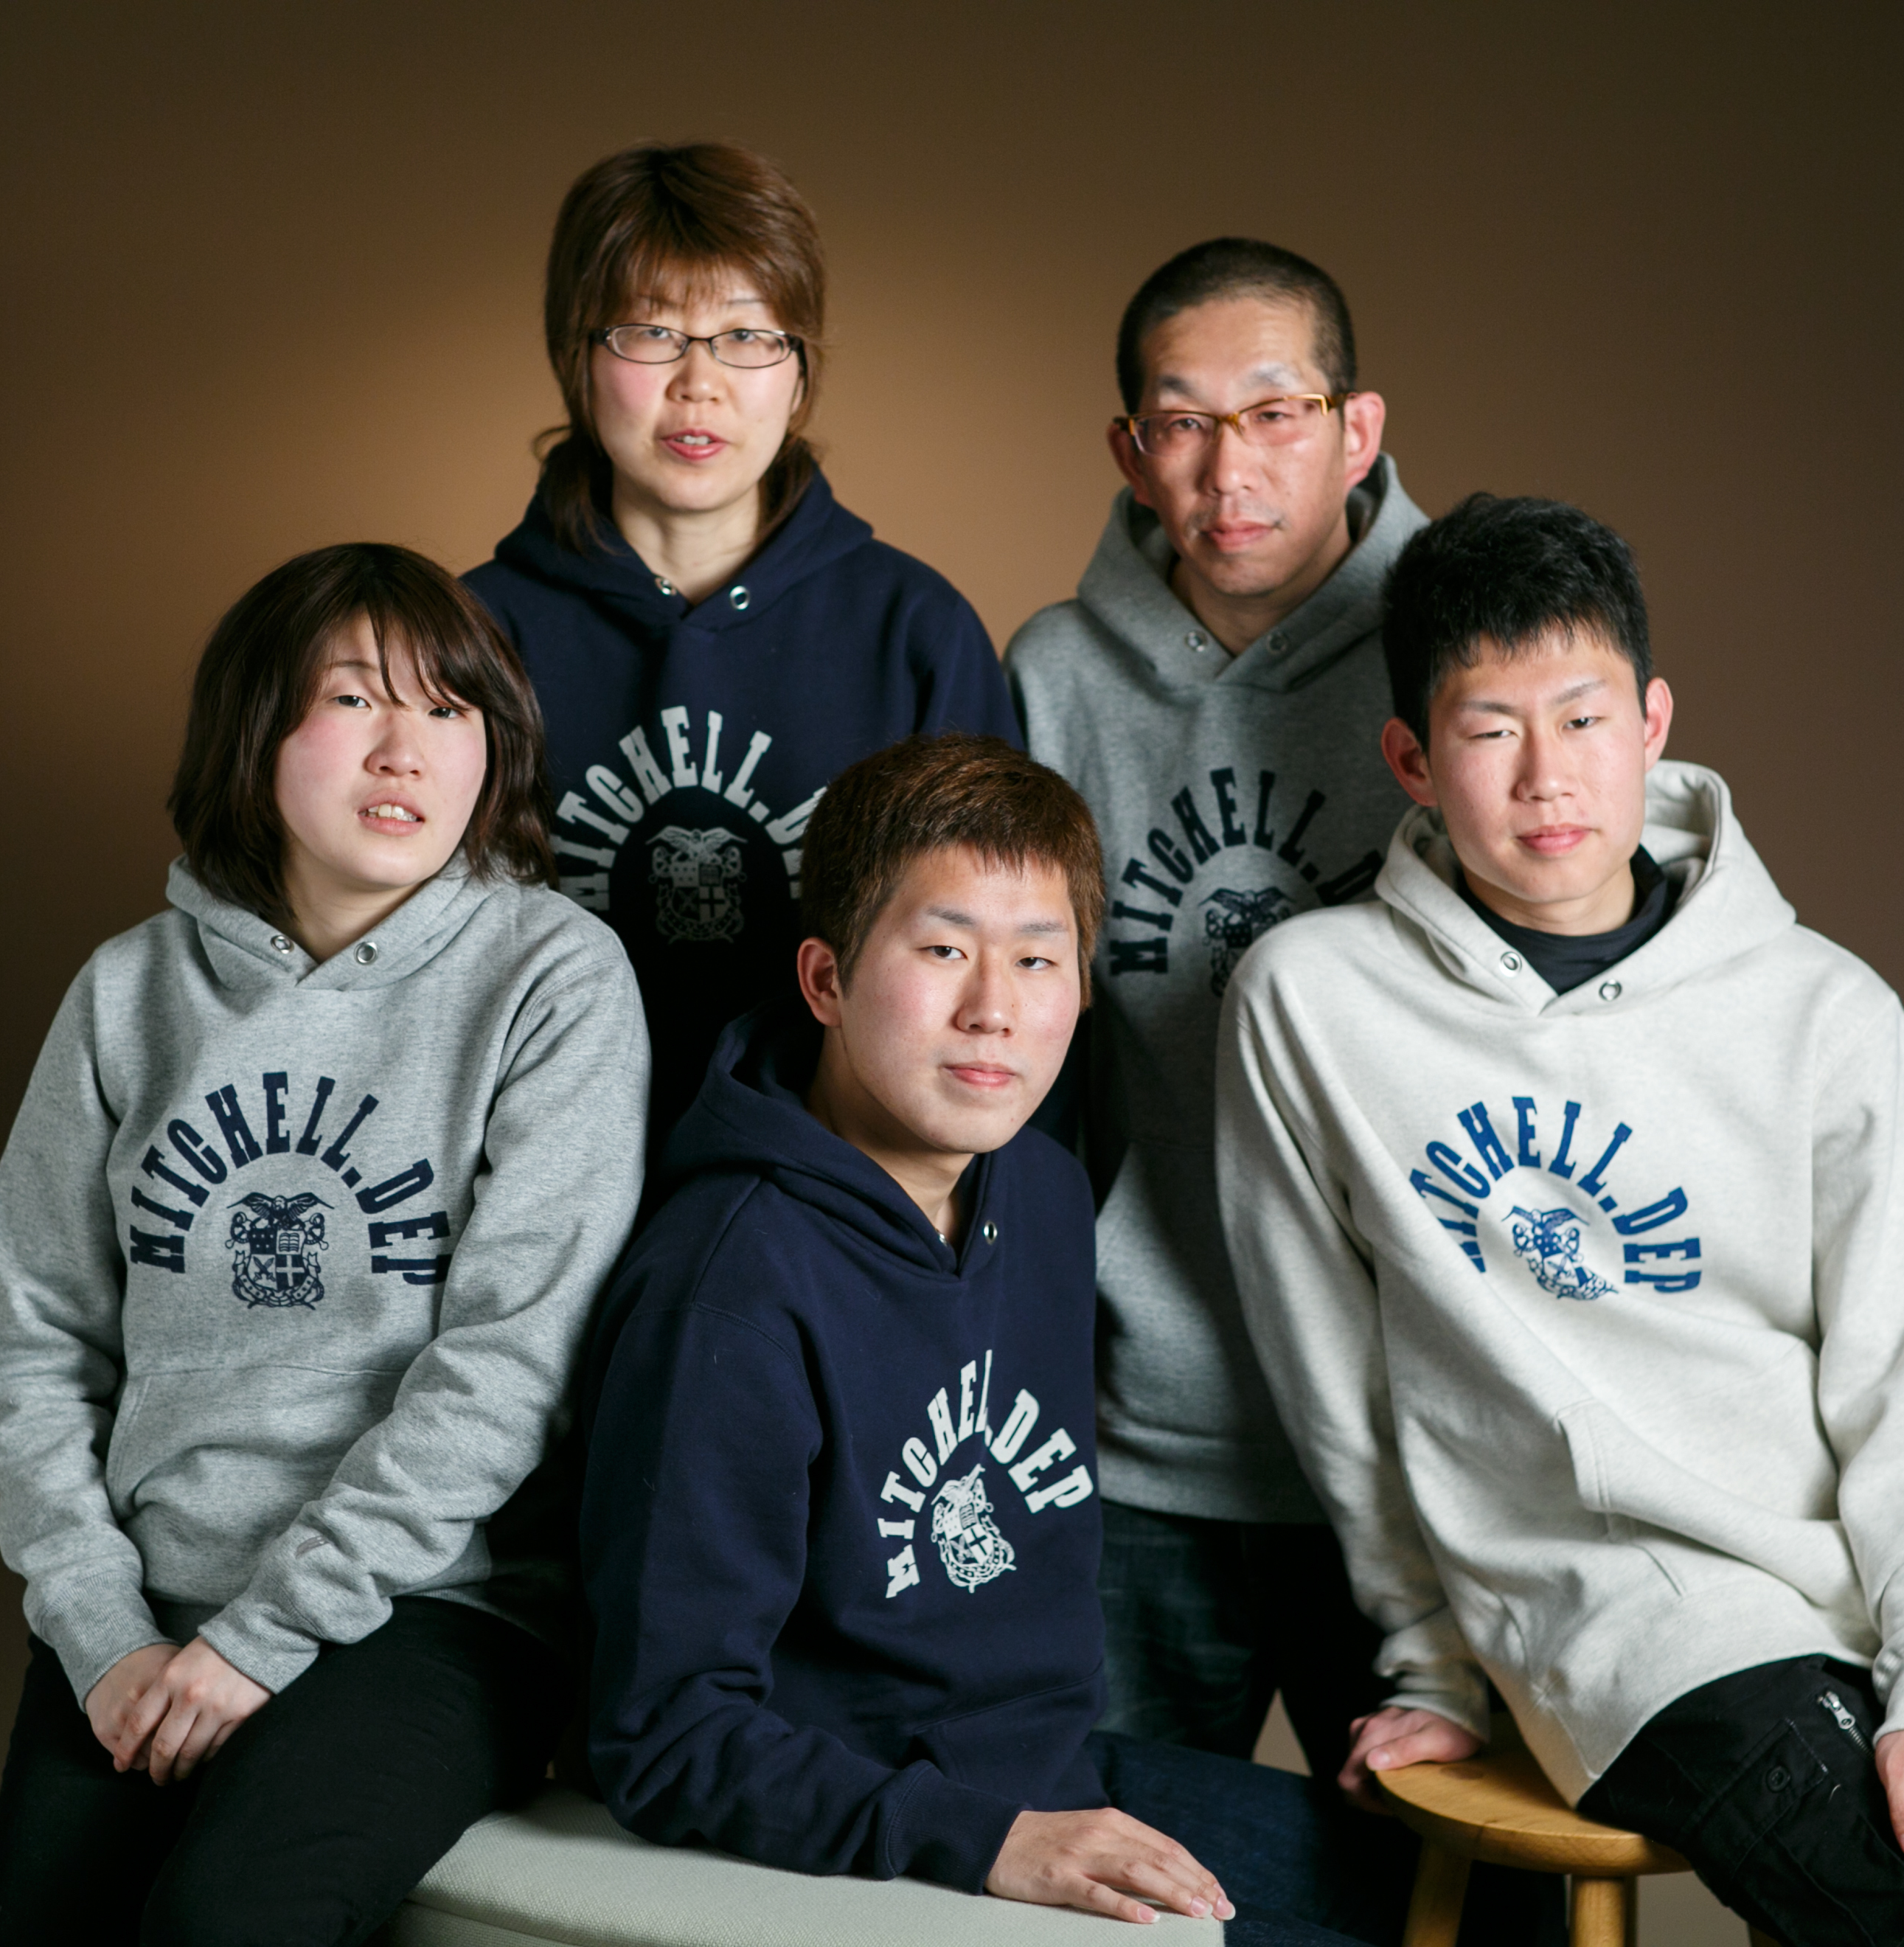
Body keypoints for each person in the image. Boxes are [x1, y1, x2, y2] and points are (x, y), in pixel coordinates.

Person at [1219, 494, 1904, 1946]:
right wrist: (1433, 1669)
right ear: (1413, 759)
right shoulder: (1314, 1002)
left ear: (1654, 724)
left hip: (1887, 1592)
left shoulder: (1824, 1013)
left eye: (1584, 719)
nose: (1547, 776)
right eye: (1490, 731)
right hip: (1641, 1628)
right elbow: (1339, 1389)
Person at [574, 733, 1439, 1944]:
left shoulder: (1037, 1190)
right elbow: (666, 1736)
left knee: (1479, 1898)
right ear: (824, 980)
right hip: (881, 1843)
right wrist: (986, 1842)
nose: (994, 1011)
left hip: (1055, 1777)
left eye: (1038, 959)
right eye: (943, 951)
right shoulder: (726, 1289)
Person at [0, 544, 649, 1946]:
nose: (406, 751)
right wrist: (102, 1632)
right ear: (256, 728)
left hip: (431, 1607)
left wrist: (259, 1639)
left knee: (225, 1923)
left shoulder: (552, 977)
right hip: (141, 1606)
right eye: (353, 700)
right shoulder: (129, 993)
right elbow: (32, 1347)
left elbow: (511, 1367)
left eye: (449, 710)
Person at [1004, 237, 1431, 1774]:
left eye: (1275, 413)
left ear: (1356, 431)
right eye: (1183, 424)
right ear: (1132, 452)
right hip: (1144, 1436)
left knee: (1464, 1893)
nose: (1228, 467)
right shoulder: (1056, 678)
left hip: (1420, 1443)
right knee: (1102, 1869)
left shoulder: (1457, 655)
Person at [465, 140, 1021, 1148]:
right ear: (575, 358)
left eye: (748, 336)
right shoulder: (470, 634)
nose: (699, 384)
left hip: (837, 1189)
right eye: (650, 332)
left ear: (801, 374)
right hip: (536, 1173)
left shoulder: (915, 630)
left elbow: (1001, 980)